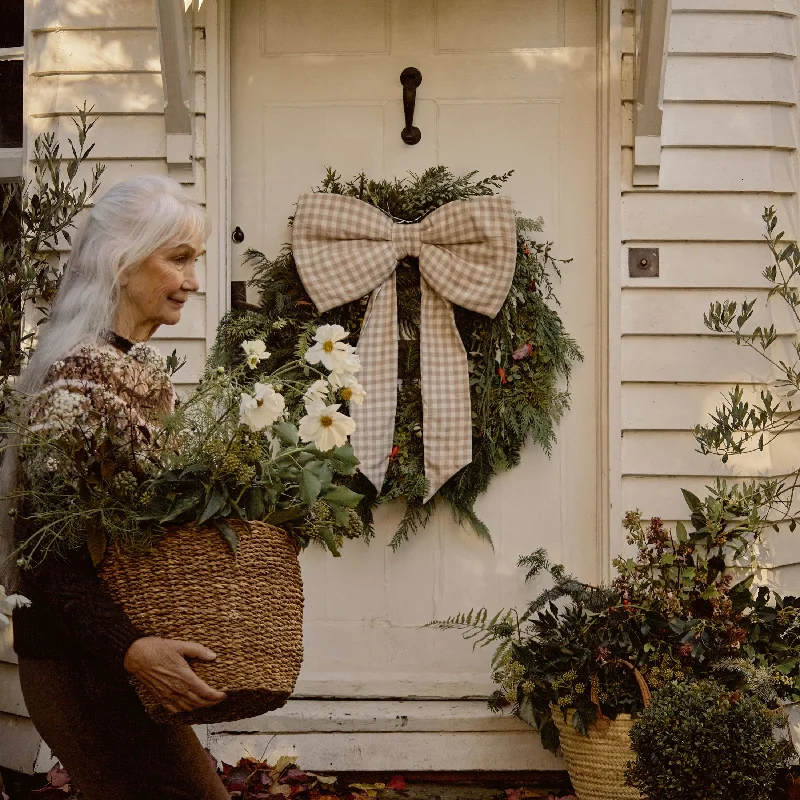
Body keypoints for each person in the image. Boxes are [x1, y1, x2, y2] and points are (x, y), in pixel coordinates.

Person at [0, 177, 232, 799]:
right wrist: (132, 650)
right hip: (80, 664)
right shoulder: (78, 380)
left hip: (114, 656)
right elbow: (45, 551)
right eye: (177, 259)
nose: (192, 279)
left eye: (194, 260)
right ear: (122, 264)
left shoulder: (129, 370)